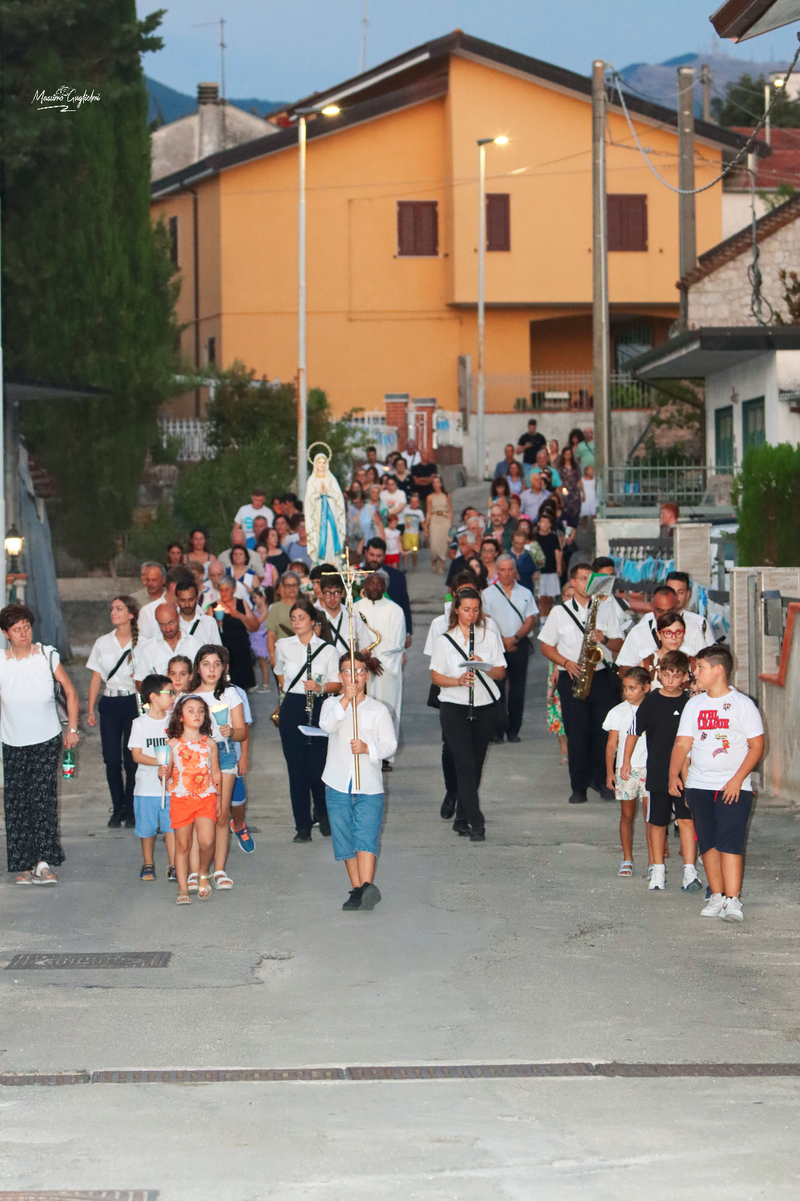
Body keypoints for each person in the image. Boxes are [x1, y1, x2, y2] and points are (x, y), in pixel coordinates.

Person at [668, 645, 764, 922]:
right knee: (708, 843)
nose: (695, 673)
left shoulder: (743, 705)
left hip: (733, 786)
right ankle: (716, 896)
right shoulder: (694, 704)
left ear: (718, 670)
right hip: (699, 785)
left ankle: (733, 900)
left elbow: (756, 746)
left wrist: (737, 780)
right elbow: (683, 743)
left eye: (700, 668)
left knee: (731, 842)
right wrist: (674, 775)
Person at [0, 603, 79, 885]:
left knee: (43, 799)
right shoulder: (1, 662)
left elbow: (69, 692)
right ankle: (23, 864)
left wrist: (72, 728)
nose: (23, 633)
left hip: (46, 739)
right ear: (6, 633)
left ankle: (43, 863)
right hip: (12, 740)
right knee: (17, 802)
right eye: (16, 629)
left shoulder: (46, 655)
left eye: (26, 627)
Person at [538, 562, 624, 805]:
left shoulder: (605, 609)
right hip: (572, 675)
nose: (587, 583)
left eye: (590, 579)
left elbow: (619, 645)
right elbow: (545, 646)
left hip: (601, 676)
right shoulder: (559, 612)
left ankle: (604, 781)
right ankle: (579, 787)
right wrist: (565, 662)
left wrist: (604, 639)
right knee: (577, 734)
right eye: (582, 578)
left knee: (603, 732)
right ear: (572, 582)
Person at [320, 650, 397, 911]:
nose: (354, 676)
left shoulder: (378, 710)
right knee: (345, 839)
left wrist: (368, 749)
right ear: (340, 676)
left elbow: (390, 744)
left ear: (367, 675)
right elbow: (327, 725)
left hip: (369, 785)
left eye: (360, 671)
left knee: (365, 835)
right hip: (338, 782)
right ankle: (358, 889)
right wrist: (345, 701)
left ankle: (366, 888)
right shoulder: (330, 704)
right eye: (347, 671)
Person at [430, 588, 506, 841]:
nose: (471, 614)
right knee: (464, 764)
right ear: (456, 610)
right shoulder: (444, 640)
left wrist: (485, 665)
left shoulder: (489, 636)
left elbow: (501, 672)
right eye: (466, 609)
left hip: (485, 707)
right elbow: (435, 676)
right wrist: (457, 680)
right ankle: (477, 821)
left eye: (475, 609)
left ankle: (462, 816)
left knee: (476, 765)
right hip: (454, 707)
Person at [622, 650, 701, 892]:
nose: (670, 680)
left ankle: (689, 871)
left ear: (685, 677)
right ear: (658, 674)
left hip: (687, 772)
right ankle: (658, 869)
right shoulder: (651, 701)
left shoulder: (690, 701)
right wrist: (626, 761)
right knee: (656, 821)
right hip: (657, 771)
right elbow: (633, 732)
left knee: (686, 820)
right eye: (665, 675)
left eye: (676, 676)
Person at [275, 596, 341, 841]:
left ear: (314, 622)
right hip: (293, 705)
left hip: (320, 704)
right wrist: (290, 693)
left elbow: (338, 682)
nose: (297, 622)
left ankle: (323, 813)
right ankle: (302, 825)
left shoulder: (328, 650)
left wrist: (321, 687)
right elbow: (279, 673)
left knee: (320, 766)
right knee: (297, 768)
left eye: (302, 618)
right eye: (293, 618)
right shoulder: (284, 645)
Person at [189, 645, 247, 889]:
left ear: (223, 668)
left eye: (216, 664)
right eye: (205, 664)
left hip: (224, 755)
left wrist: (231, 732)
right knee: (198, 816)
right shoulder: (189, 696)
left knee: (221, 815)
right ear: (198, 668)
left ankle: (219, 870)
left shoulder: (231, 694)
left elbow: (242, 732)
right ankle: (194, 871)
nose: (211, 669)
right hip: (196, 757)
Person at [86, 595, 141, 828]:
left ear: (131, 614)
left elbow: (150, 676)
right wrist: (89, 709)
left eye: (119, 608)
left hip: (132, 704)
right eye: (111, 609)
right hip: (110, 704)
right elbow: (96, 676)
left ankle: (130, 810)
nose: (113, 612)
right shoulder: (102, 642)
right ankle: (116, 808)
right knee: (111, 759)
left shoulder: (142, 643)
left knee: (132, 761)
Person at [162, 693, 221, 904]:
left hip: (206, 797)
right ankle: (183, 888)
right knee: (183, 845)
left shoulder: (210, 744)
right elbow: (167, 773)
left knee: (207, 841)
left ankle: (203, 873)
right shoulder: (173, 744)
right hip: (181, 799)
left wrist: (219, 800)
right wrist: (162, 772)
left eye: (201, 711)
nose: (196, 714)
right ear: (180, 716)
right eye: (190, 711)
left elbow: (215, 773)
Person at [482, 555, 539, 743]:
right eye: (502, 570)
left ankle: (514, 730)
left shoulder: (525, 593)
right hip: (496, 645)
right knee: (496, 688)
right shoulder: (488, 594)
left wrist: (514, 638)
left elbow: (530, 620)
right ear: (497, 572)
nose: (506, 573)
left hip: (519, 644)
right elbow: (486, 620)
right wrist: (502, 641)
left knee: (517, 689)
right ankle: (497, 730)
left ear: (515, 571)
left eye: (509, 569)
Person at [354, 571, 406, 768]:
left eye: (379, 584)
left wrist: (378, 661)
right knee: (362, 710)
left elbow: (398, 643)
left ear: (385, 587)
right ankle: (362, 751)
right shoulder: (356, 608)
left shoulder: (395, 610)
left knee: (386, 710)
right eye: (371, 583)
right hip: (361, 668)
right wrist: (366, 661)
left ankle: (385, 755)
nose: (375, 587)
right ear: (364, 587)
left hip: (385, 670)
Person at [127, 673, 176, 882]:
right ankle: (148, 863)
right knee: (147, 829)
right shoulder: (140, 723)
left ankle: (174, 864)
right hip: (146, 788)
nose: (174, 696)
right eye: (169, 693)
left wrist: (169, 766)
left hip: (170, 787)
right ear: (154, 696)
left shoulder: (174, 722)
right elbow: (136, 754)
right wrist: (159, 762)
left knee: (171, 828)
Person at [603, 667, 651, 879]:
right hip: (625, 771)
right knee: (627, 815)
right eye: (625, 688)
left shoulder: (654, 709)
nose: (628, 692)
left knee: (652, 818)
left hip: (650, 769)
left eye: (633, 688)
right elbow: (611, 744)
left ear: (646, 688)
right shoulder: (617, 712)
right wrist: (609, 772)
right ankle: (627, 858)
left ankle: (654, 860)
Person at [616, 581, 715, 674]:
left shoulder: (693, 630)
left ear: (677, 606)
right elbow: (624, 669)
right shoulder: (638, 632)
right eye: (660, 611)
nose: (665, 615)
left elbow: (705, 666)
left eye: (669, 610)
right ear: (652, 607)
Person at [207, 576, 259, 691]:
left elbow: (254, 627)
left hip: (241, 653)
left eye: (227, 589)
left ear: (233, 590)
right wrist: (216, 624)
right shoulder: (213, 607)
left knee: (243, 690)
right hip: (224, 654)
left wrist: (240, 616)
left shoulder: (241, 604)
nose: (224, 593)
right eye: (221, 590)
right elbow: (206, 632)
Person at [135, 603, 203, 685]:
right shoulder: (149, 648)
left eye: (171, 622)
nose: (168, 629)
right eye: (162, 624)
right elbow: (140, 681)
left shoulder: (196, 644)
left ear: (178, 618)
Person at [362, 538, 412, 642]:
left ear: (384, 555)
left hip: (390, 630)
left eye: (379, 556)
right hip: (363, 630)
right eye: (371, 555)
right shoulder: (354, 575)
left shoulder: (397, 576)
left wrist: (407, 632)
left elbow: (404, 604)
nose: (374, 559)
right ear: (366, 553)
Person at [546, 581, 572, 767]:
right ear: (563, 597)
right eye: (568, 596)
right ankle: (564, 749)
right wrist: (556, 667)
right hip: (558, 664)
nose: (571, 599)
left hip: (578, 666)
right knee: (558, 709)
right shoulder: (557, 614)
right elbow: (550, 642)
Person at [138, 566, 195, 641]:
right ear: (173, 587)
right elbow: (142, 643)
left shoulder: (195, 609)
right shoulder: (148, 612)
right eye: (186, 588)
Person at [638, 612, 695, 685]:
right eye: (668, 633)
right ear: (659, 635)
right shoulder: (646, 665)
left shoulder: (693, 664)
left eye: (678, 632)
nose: (674, 638)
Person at [267, 570, 300, 675]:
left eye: (294, 585)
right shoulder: (275, 608)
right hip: (282, 656)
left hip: (301, 654)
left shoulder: (305, 606)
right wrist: (272, 656)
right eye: (288, 585)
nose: (292, 588)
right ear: (283, 587)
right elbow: (271, 635)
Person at [174, 578, 221, 645]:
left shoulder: (209, 623)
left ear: (197, 597)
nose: (187, 604)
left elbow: (218, 651)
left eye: (190, 599)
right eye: (182, 600)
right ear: (177, 599)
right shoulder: (170, 624)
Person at [534, 512, 563, 616]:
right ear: (538, 523)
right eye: (543, 522)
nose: (545, 524)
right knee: (541, 596)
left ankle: (548, 617)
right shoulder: (535, 537)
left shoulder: (553, 537)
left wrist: (558, 567)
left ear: (550, 524)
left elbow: (557, 552)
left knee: (550, 596)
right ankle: (542, 617)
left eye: (547, 522)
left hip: (551, 569)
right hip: (540, 570)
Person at [425, 475, 453, 573]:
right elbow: (428, 512)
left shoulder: (447, 496)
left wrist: (452, 526)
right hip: (434, 519)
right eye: (434, 483)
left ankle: (441, 565)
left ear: (441, 483)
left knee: (443, 543)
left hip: (444, 520)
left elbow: (450, 511)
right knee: (434, 544)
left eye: (438, 482)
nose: (436, 484)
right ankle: (434, 560)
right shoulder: (429, 497)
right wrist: (426, 526)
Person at [556, 446, 584, 528]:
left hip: (575, 492)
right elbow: (559, 482)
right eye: (566, 454)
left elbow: (579, 480)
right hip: (565, 492)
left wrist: (583, 492)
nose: (568, 456)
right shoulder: (560, 468)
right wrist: (559, 494)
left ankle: (574, 529)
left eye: (569, 454)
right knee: (566, 511)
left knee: (576, 511)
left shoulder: (575, 466)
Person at [249, 587, 271, 691]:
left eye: (255, 598)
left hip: (261, 637)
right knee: (253, 662)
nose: (254, 600)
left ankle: (265, 684)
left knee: (262, 662)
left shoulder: (265, 610)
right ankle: (254, 682)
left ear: (262, 598)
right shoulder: (255, 608)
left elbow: (257, 622)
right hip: (253, 637)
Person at [398, 491, 424, 569]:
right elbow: (402, 521)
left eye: (415, 502)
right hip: (406, 532)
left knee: (414, 551)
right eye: (412, 502)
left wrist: (426, 531)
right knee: (405, 549)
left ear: (418, 503)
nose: (414, 504)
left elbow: (422, 522)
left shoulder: (420, 512)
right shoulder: (405, 510)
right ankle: (405, 565)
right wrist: (401, 533)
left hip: (415, 534)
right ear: (409, 502)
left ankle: (414, 565)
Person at [516, 418, 546, 483]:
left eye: (533, 427)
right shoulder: (524, 437)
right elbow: (517, 451)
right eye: (530, 427)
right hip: (527, 464)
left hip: (538, 464)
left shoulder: (541, 438)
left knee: (538, 480)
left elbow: (545, 450)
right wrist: (525, 447)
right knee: (527, 481)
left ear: (535, 426)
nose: (531, 428)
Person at [580, 465, 596, 529]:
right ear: (586, 471)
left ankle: (594, 527)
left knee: (593, 513)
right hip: (585, 495)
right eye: (590, 470)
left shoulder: (594, 479)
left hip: (592, 495)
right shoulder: (582, 479)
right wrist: (583, 494)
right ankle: (584, 527)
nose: (591, 471)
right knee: (584, 512)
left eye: (592, 470)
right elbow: (581, 487)